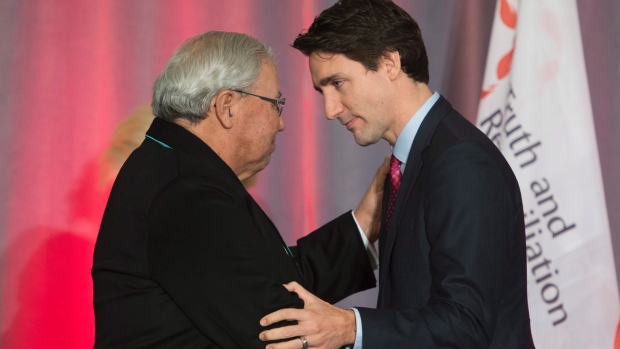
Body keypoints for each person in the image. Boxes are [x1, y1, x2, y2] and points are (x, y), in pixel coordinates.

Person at [259, 1, 536, 348]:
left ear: (390, 63)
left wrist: (350, 327)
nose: (330, 110)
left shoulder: (461, 162)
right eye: (322, 92)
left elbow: (467, 324)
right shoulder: (414, 160)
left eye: (338, 83)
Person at [92, 31, 387, 348]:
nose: (281, 123)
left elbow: (268, 280)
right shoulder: (186, 192)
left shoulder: (174, 166)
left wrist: (364, 221)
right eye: (277, 104)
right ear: (227, 106)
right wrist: (364, 330)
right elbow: (276, 328)